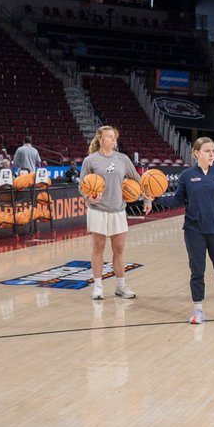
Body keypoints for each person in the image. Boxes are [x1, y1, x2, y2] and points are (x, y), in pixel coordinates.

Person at [144, 137, 214, 323]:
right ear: (196, 153)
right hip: (194, 230)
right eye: (207, 151)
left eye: (213, 150)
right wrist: (155, 199)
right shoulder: (187, 175)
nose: (211, 154)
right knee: (197, 272)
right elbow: (176, 201)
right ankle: (198, 311)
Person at [80, 125, 141, 300]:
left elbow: (138, 180)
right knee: (98, 248)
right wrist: (88, 197)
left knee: (119, 249)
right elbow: (82, 185)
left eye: (114, 137)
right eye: (109, 137)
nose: (113, 140)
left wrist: (147, 198)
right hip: (97, 210)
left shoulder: (123, 159)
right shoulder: (90, 160)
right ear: (100, 139)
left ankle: (121, 286)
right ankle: (98, 286)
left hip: (118, 210)